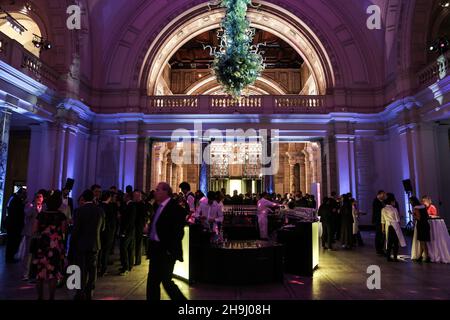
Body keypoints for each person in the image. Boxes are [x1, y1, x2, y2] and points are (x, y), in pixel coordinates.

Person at [146, 182, 187, 301]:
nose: (155, 192)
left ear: (165, 192)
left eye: (158, 190)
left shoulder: (175, 208)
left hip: (166, 251)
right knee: (152, 282)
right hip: (155, 249)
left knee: (166, 282)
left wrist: (170, 250)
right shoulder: (157, 206)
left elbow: (178, 232)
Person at [32, 190, 67, 300]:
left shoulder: (41, 214)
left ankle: (40, 297)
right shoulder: (61, 216)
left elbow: (34, 230)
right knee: (53, 273)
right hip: (55, 246)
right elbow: (64, 230)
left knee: (40, 273)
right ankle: (51, 297)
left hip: (42, 245)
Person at [71, 189, 105, 300]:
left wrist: (72, 244)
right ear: (93, 198)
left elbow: (75, 230)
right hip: (95, 244)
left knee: (80, 268)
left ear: (83, 198)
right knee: (92, 268)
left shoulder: (78, 211)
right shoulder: (99, 211)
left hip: (80, 244)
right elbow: (103, 228)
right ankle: (90, 291)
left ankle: (79, 292)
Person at [21, 192, 45, 281]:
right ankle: (25, 274)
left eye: (41, 197)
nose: (39, 198)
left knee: (38, 254)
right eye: (37, 197)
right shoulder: (30, 206)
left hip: (40, 234)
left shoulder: (45, 207)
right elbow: (27, 214)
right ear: (34, 198)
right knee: (28, 254)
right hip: (30, 233)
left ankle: (36, 273)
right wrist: (35, 206)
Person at [5, 187, 27, 263]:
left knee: (11, 242)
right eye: (24, 194)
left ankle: (10, 257)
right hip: (14, 225)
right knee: (12, 242)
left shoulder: (13, 199)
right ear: (20, 193)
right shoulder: (16, 200)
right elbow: (18, 213)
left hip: (12, 224)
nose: (24, 196)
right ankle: (10, 258)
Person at [381, 196, 406, 262]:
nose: (394, 202)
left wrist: (383, 228)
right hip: (395, 226)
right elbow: (397, 219)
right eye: (394, 201)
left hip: (387, 226)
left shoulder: (383, 209)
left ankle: (388, 257)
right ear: (391, 202)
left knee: (389, 241)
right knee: (395, 242)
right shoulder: (394, 209)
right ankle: (395, 257)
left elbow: (382, 220)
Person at [98, 191, 117, 276]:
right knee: (105, 252)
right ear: (109, 198)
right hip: (108, 232)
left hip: (99, 232)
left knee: (99, 251)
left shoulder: (98, 206)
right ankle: (103, 269)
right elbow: (113, 221)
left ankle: (98, 267)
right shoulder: (110, 207)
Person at [119, 193, 136, 275]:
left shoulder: (130, 206)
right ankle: (129, 266)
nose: (123, 198)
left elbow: (129, 220)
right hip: (130, 230)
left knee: (124, 248)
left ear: (128, 197)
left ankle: (125, 267)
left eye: (124, 196)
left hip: (127, 231)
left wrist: (124, 231)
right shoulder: (129, 205)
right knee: (129, 248)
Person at [411, 197, 431, 262]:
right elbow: (427, 216)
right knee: (423, 241)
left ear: (413, 201)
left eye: (410, 201)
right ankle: (420, 256)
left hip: (421, 225)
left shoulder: (416, 208)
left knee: (422, 242)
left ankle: (426, 256)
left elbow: (419, 218)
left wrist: (413, 214)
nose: (410, 202)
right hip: (426, 224)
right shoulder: (423, 206)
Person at [134, 190, 150, 266]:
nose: (135, 197)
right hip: (134, 225)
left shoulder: (142, 205)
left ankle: (138, 260)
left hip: (139, 226)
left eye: (137, 196)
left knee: (138, 243)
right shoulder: (134, 204)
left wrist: (145, 225)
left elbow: (145, 216)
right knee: (135, 243)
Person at [372, 190, 386, 255]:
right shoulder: (376, 201)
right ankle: (379, 250)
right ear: (379, 194)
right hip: (378, 221)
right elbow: (378, 212)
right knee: (379, 235)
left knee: (381, 235)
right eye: (383, 195)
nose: (384, 196)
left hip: (381, 220)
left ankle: (381, 249)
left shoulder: (382, 201)